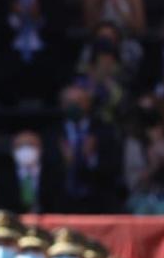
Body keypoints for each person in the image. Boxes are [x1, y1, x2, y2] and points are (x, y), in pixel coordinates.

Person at [50, 84, 120, 213]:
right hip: (61, 205)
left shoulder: (104, 131)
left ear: (88, 103)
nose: (74, 106)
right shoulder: (52, 134)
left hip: (98, 203)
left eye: (79, 101)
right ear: (62, 104)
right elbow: (47, 178)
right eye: (70, 102)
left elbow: (113, 171)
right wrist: (66, 163)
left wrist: (91, 158)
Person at [0, 129, 58, 213]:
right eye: (20, 145)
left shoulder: (55, 174)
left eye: (30, 144)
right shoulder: (3, 176)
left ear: (41, 148)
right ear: (12, 150)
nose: (25, 149)